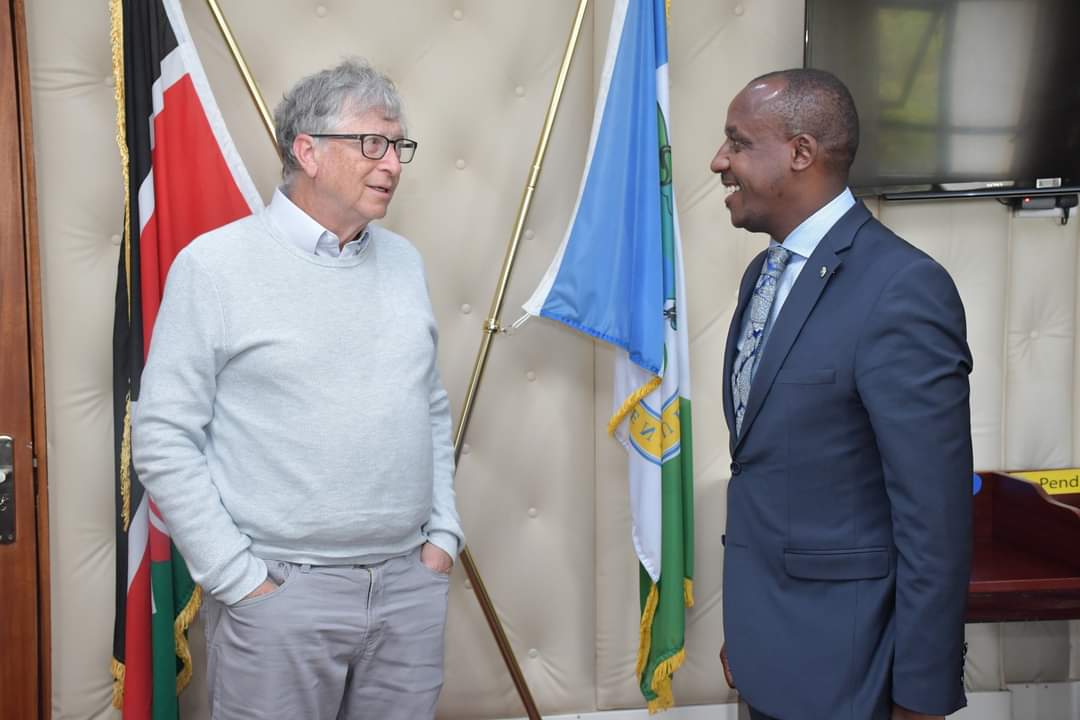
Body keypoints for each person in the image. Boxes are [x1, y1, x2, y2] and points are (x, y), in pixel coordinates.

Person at [132, 59, 463, 720]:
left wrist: (443, 539)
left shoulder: (404, 262)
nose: (392, 164)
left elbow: (428, 405)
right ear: (306, 151)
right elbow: (162, 434)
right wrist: (240, 580)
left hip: (408, 589)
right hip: (279, 596)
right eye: (372, 143)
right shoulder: (215, 266)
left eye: (399, 146)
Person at [711, 68, 972, 720]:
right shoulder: (760, 278)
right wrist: (748, 629)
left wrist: (922, 694)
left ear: (801, 153)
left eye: (737, 143)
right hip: (768, 651)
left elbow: (934, 520)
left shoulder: (902, 290)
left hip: (853, 677)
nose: (720, 161)